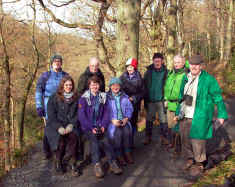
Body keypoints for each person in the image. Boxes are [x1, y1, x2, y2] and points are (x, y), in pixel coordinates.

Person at [174, 55, 228, 176]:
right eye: (192, 64)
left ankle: (199, 163)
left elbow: (218, 97)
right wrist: (178, 112)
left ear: (201, 66)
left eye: (196, 64)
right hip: (185, 114)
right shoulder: (185, 78)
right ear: (189, 65)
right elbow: (181, 97)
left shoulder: (209, 80)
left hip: (200, 115)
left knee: (198, 140)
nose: (194, 67)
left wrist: (222, 114)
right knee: (185, 138)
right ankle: (189, 158)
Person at [78, 76, 122, 178]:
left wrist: (103, 125)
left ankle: (112, 163)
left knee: (106, 140)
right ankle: (97, 165)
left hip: (100, 126)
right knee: (94, 141)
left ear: (99, 85)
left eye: (96, 84)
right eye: (92, 84)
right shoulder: (83, 99)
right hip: (88, 128)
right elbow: (82, 117)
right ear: (89, 86)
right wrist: (90, 128)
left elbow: (107, 113)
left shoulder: (103, 97)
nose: (95, 86)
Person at [46, 76, 81, 176]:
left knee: (74, 137)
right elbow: (51, 115)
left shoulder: (76, 97)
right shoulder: (54, 97)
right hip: (56, 124)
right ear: (62, 85)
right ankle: (58, 162)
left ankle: (73, 163)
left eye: (70, 85)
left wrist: (72, 124)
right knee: (59, 139)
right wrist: (59, 127)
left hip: (71, 124)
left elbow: (78, 114)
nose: (68, 87)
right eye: (66, 85)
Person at [35, 54, 68, 159]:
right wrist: (39, 106)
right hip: (48, 103)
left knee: (61, 125)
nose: (57, 63)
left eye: (59, 61)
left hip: (62, 104)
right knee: (49, 127)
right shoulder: (45, 76)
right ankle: (46, 150)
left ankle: (60, 149)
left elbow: (70, 88)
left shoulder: (65, 75)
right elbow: (39, 91)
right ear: (52, 63)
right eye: (55, 61)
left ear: (61, 63)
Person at [164, 55, 188, 153]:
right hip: (169, 104)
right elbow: (167, 87)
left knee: (178, 127)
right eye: (175, 62)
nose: (176, 64)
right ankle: (172, 143)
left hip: (179, 104)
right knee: (170, 126)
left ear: (183, 63)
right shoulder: (171, 73)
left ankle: (178, 147)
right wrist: (165, 99)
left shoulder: (186, 74)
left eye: (178, 62)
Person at [107, 77, 134, 166]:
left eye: (117, 85)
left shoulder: (125, 97)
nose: (115, 87)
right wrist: (112, 120)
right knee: (117, 134)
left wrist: (126, 118)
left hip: (124, 120)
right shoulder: (107, 98)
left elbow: (130, 108)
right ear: (110, 87)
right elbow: (104, 112)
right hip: (113, 122)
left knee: (127, 133)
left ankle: (127, 153)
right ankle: (119, 155)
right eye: (113, 85)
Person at [143, 53, 168, 145]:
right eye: (155, 61)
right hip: (150, 100)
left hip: (161, 100)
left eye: (159, 61)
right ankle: (148, 137)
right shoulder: (148, 72)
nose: (157, 62)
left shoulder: (166, 72)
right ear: (153, 61)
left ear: (162, 61)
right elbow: (144, 85)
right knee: (149, 119)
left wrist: (166, 99)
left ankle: (164, 137)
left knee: (163, 120)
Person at [120, 58, 145, 146]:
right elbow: (118, 89)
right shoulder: (122, 77)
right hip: (123, 104)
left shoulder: (139, 78)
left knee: (133, 123)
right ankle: (123, 143)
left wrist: (133, 98)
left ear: (135, 67)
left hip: (134, 104)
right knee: (124, 123)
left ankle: (130, 143)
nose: (129, 69)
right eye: (128, 67)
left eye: (131, 67)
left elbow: (142, 92)